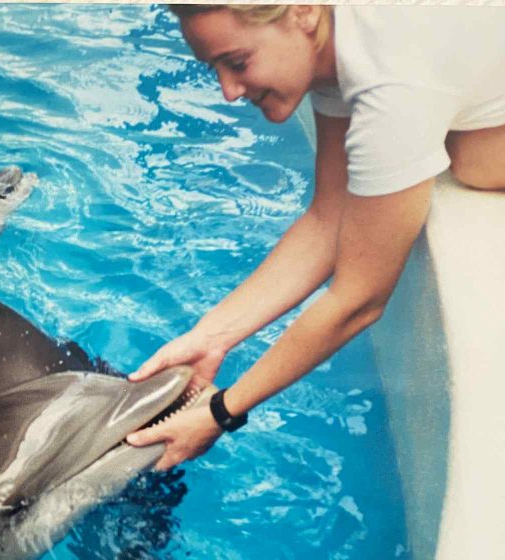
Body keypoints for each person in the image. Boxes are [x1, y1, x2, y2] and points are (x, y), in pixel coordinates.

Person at [126, 4, 505, 470]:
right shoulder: (337, 38)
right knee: (469, 152)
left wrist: (222, 410)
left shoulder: (390, 81)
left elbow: (359, 299)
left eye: (238, 62)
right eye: (216, 69)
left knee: (475, 160)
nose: (228, 91)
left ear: (302, 13)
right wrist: (210, 336)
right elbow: (329, 218)